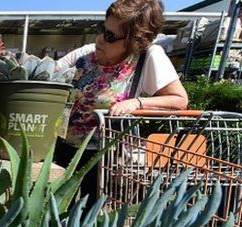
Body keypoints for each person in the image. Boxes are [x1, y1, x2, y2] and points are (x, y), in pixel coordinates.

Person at [54, 0, 188, 204]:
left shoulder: (148, 57)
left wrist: (137, 103)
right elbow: (47, 74)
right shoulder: (84, 55)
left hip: (101, 157)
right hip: (62, 147)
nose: (100, 39)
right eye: (101, 29)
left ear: (135, 41)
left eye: (110, 36)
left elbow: (179, 99)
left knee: (87, 215)